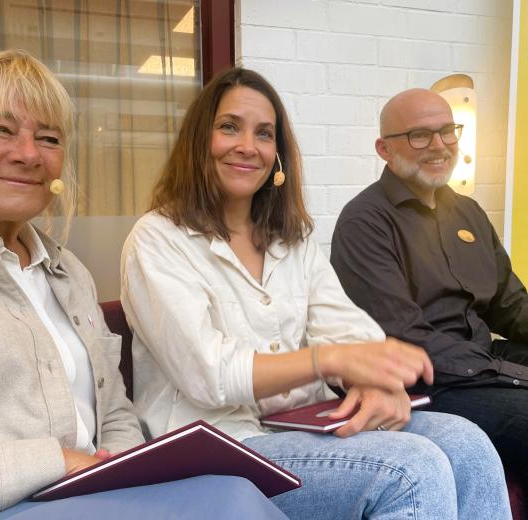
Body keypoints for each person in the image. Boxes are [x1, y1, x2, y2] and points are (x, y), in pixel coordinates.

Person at [0, 50, 287, 520]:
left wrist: (121, 472)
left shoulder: (67, 270)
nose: (28, 154)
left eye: (48, 138)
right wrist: (55, 463)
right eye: (0, 129)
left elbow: (114, 414)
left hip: (95, 495)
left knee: (236, 493)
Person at [120, 68, 511, 519]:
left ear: (278, 154)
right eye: (229, 127)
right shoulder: (157, 239)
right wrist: (327, 361)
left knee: (467, 443)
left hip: (306, 423)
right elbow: (207, 373)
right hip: (220, 446)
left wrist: (373, 380)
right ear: (197, 142)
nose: (248, 146)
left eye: (264, 134)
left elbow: (346, 326)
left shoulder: (291, 238)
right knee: (410, 470)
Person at [330, 87, 528, 489]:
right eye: (420, 135)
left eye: (447, 131)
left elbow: (510, 305)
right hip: (427, 384)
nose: (438, 146)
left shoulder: (468, 212)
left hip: (480, 360)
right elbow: (405, 338)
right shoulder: (364, 223)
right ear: (384, 149)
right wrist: (509, 373)